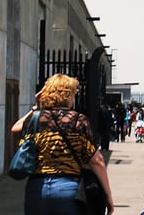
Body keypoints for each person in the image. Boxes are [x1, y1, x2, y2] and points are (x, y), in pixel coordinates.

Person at [11, 73, 115, 215]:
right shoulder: (78, 120)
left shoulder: (36, 119)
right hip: (68, 189)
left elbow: (15, 128)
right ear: (68, 95)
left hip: (37, 189)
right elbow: (97, 161)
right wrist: (108, 196)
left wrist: (36, 107)